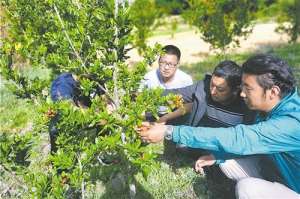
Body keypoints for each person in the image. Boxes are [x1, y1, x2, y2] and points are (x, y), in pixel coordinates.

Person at [138, 54, 300, 198]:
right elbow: (252, 144)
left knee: (248, 188)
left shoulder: (291, 123)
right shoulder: (267, 107)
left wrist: (169, 131)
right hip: (277, 173)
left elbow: (240, 138)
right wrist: (218, 156)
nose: (242, 93)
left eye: (248, 88)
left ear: (273, 92)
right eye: (242, 86)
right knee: (227, 163)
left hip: (295, 188)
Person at [158, 60, 255, 127]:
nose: (213, 92)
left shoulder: (247, 103)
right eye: (212, 85)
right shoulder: (204, 87)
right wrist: (148, 97)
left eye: (220, 89)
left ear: (235, 90)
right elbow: (175, 94)